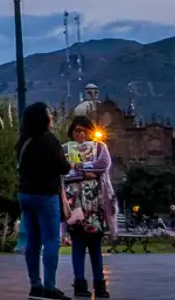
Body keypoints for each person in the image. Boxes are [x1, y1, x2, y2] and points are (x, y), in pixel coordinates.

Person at [17, 102, 72, 300]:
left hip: (25, 194)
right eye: (49, 114)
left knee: (32, 240)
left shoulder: (22, 140)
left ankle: (35, 285)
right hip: (45, 194)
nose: (52, 117)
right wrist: (69, 162)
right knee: (51, 240)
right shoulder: (49, 140)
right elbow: (64, 167)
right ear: (43, 118)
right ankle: (50, 285)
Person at [63, 116, 112, 298]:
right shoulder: (65, 149)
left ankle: (100, 285)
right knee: (78, 245)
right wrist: (85, 174)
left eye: (84, 130)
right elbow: (63, 172)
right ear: (72, 132)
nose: (81, 134)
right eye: (77, 131)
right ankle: (79, 283)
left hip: (96, 205)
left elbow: (103, 165)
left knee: (95, 246)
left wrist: (78, 166)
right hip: (75, 205)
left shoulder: (100, 148)